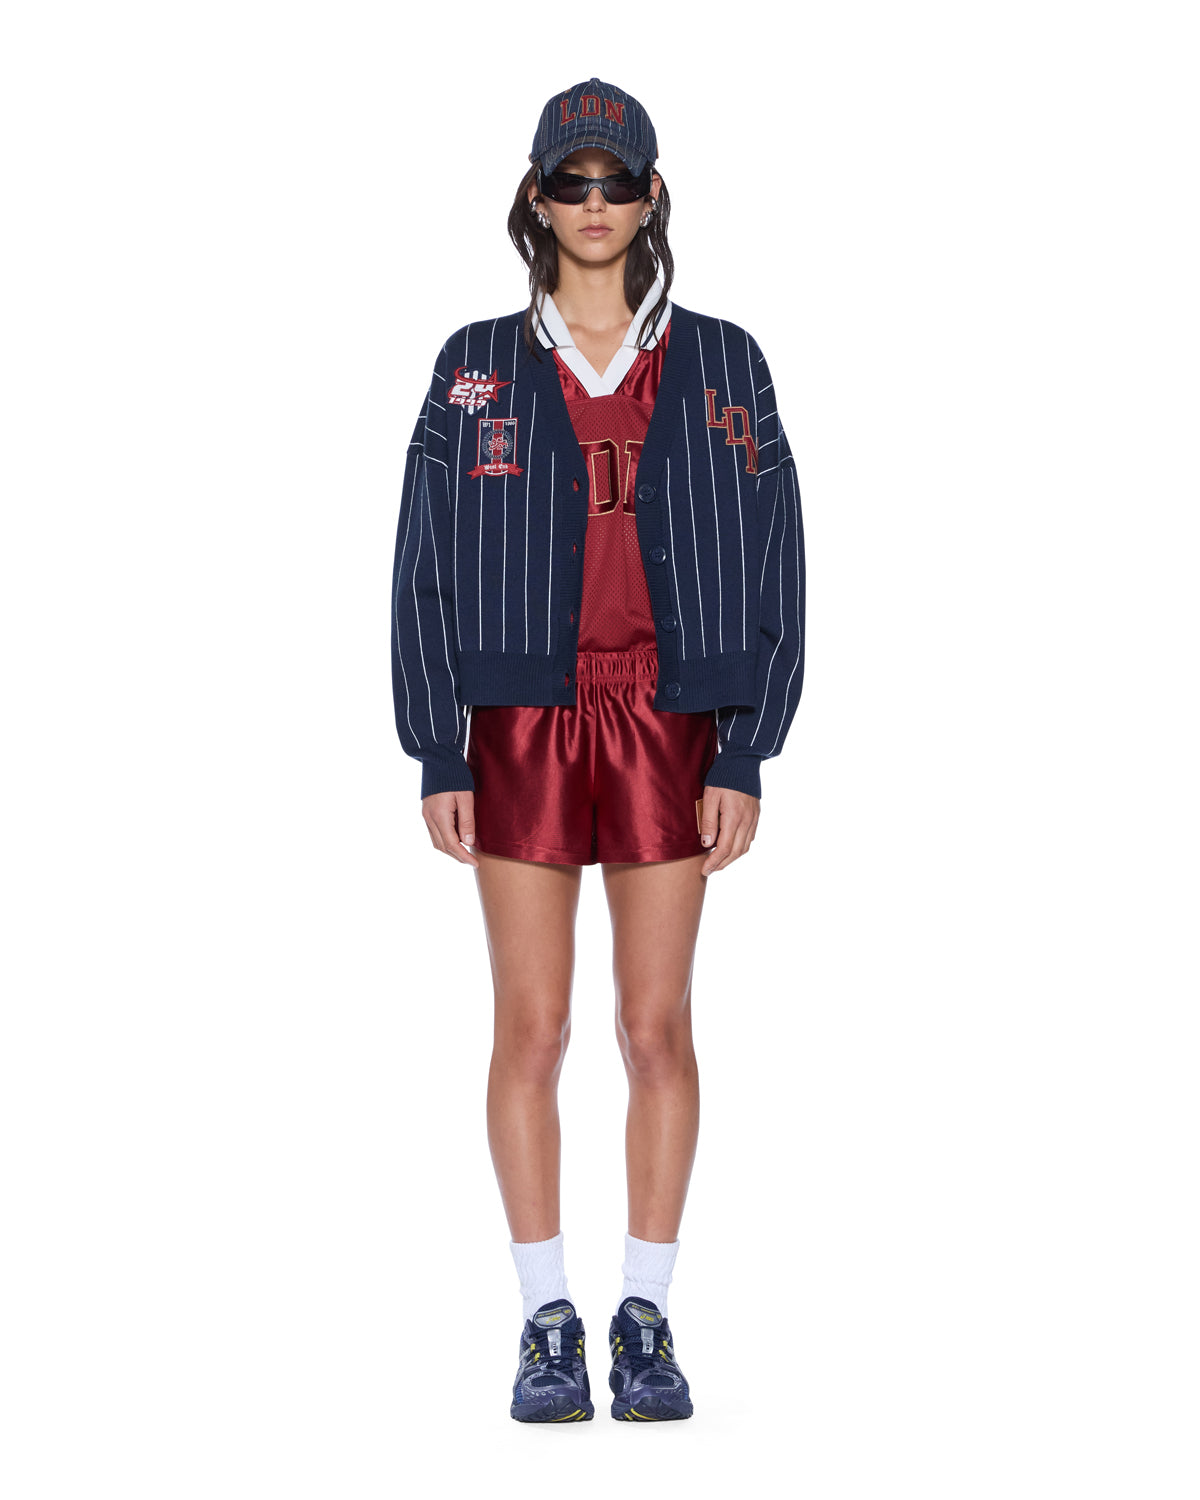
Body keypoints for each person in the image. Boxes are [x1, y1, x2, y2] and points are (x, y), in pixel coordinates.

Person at [390, 77, 806, 1423]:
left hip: (670, 718)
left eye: (615, 181)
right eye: (569, 182)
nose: (592, 203)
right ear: (534, 197)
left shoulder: (728, 362)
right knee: (533, 1024)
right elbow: (420, 565)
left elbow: (779, 559)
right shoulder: (472, 364)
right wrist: (439, 746)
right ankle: (543, 1322)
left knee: (653, 1025)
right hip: (518, 720)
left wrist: (746, 747)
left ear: (651, 196)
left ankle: (645, 1316)